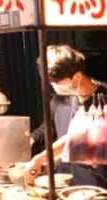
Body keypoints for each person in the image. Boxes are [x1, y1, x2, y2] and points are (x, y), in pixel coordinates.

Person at [21, 44, 107, 189]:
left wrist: (40, 159)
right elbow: (47, 129)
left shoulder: (102, 101)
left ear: (77, 77)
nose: (56, 88)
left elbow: (79, 138)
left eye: (59, 83)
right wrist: (31, 139)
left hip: (99, 185)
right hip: (68, 184)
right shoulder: (61, 99)